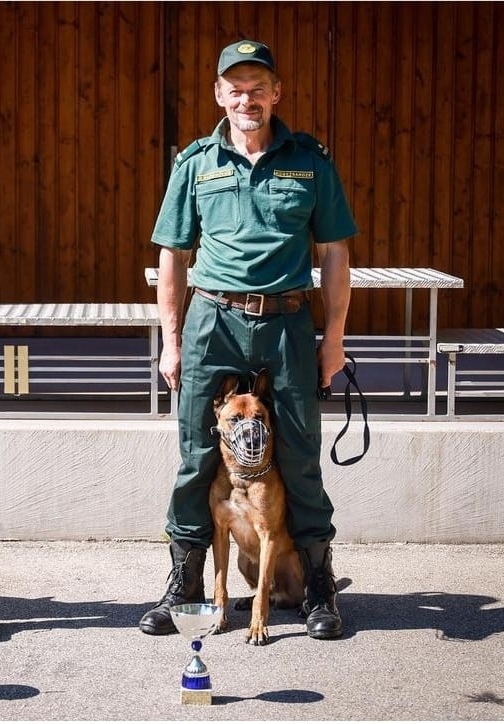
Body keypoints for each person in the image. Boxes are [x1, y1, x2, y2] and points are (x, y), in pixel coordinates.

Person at [139, 40, 357, 640]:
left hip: (287, 322)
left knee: (299, 457)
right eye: (235, 88)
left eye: (257, 87)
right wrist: (173, 339)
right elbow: (173, 255)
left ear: (276, 93)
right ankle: (183, 586)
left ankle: (317, 585)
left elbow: (335, 252)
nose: (247, 98)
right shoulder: (196, 164)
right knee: (195, 457)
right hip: (212, 321)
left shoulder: (309, 161)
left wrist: (333, 337)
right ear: (219, 95)